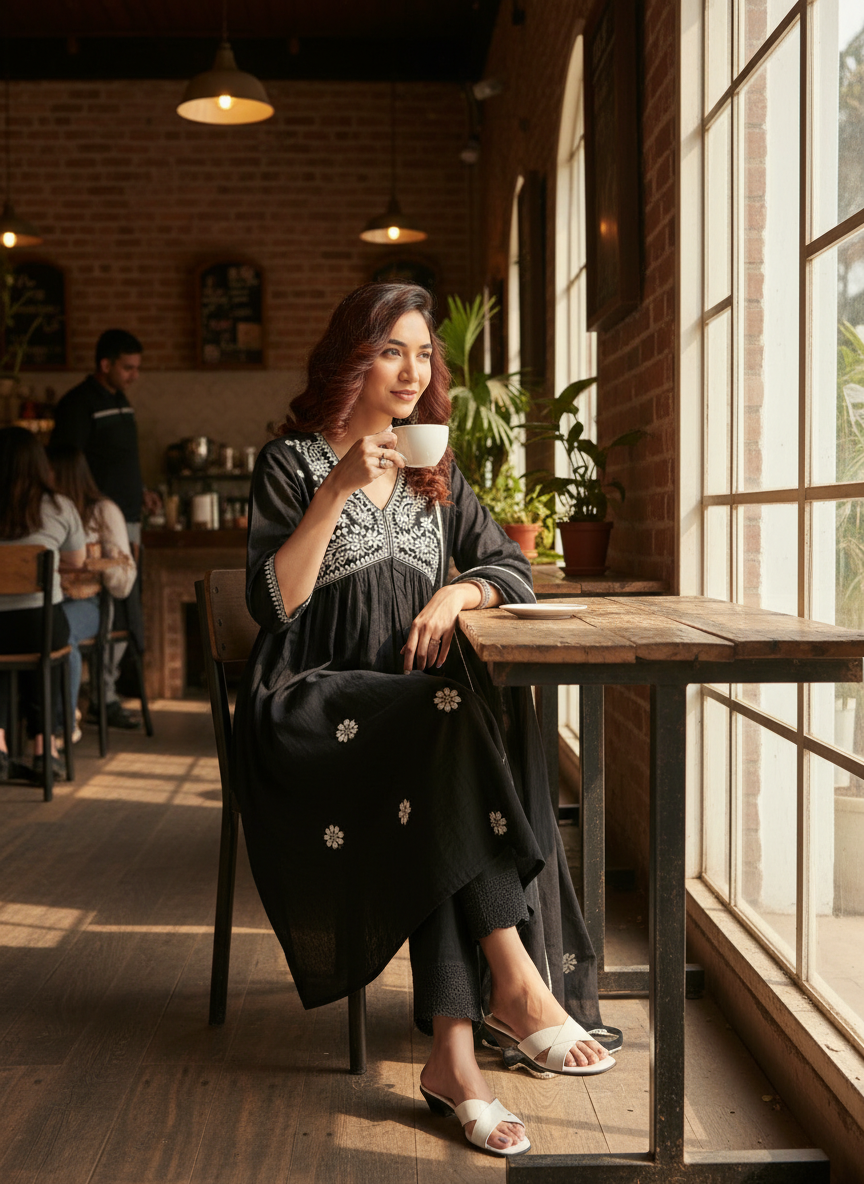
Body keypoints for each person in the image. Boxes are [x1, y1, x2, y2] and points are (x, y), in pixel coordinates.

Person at [234, 283, 620, 1159]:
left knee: (438, 750)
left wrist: (458, 591)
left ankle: (454, 1056)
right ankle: (514, 982)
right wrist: (335, 489)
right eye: (391, 351)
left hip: (414, 722)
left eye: (422, 354)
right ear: (352, 358)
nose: (412, 371)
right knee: (443, 726)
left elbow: (512, 569)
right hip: (309, 709)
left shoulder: (434, 470)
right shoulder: (291, 463)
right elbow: (274, 606)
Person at [50, 329, 156, 729]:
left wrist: (141, 491)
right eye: (128, 368)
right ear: (105, 364)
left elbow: (120, 459)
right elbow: (67, 466)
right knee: (104, 602)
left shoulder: (119, 399)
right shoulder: (78, 404)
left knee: (123, 603)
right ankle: (98, 695)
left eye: (137, 368)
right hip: (94, 522)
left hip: (126, 515)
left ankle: (103, 693)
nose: (134, 376)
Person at [0, 427, 85, 780]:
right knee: (47, 657)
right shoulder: (59, 505)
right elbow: (77, 560)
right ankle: (44, 750)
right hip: (40, 623)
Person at [46, 445, 137, 738]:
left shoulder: (103, 511)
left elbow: (124, 579)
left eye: (48, 471)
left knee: (60, 631)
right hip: (50, 600)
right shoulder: (48, 511)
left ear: (63, 475)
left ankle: (61, 725)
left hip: (91, 603)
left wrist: (95, 563)